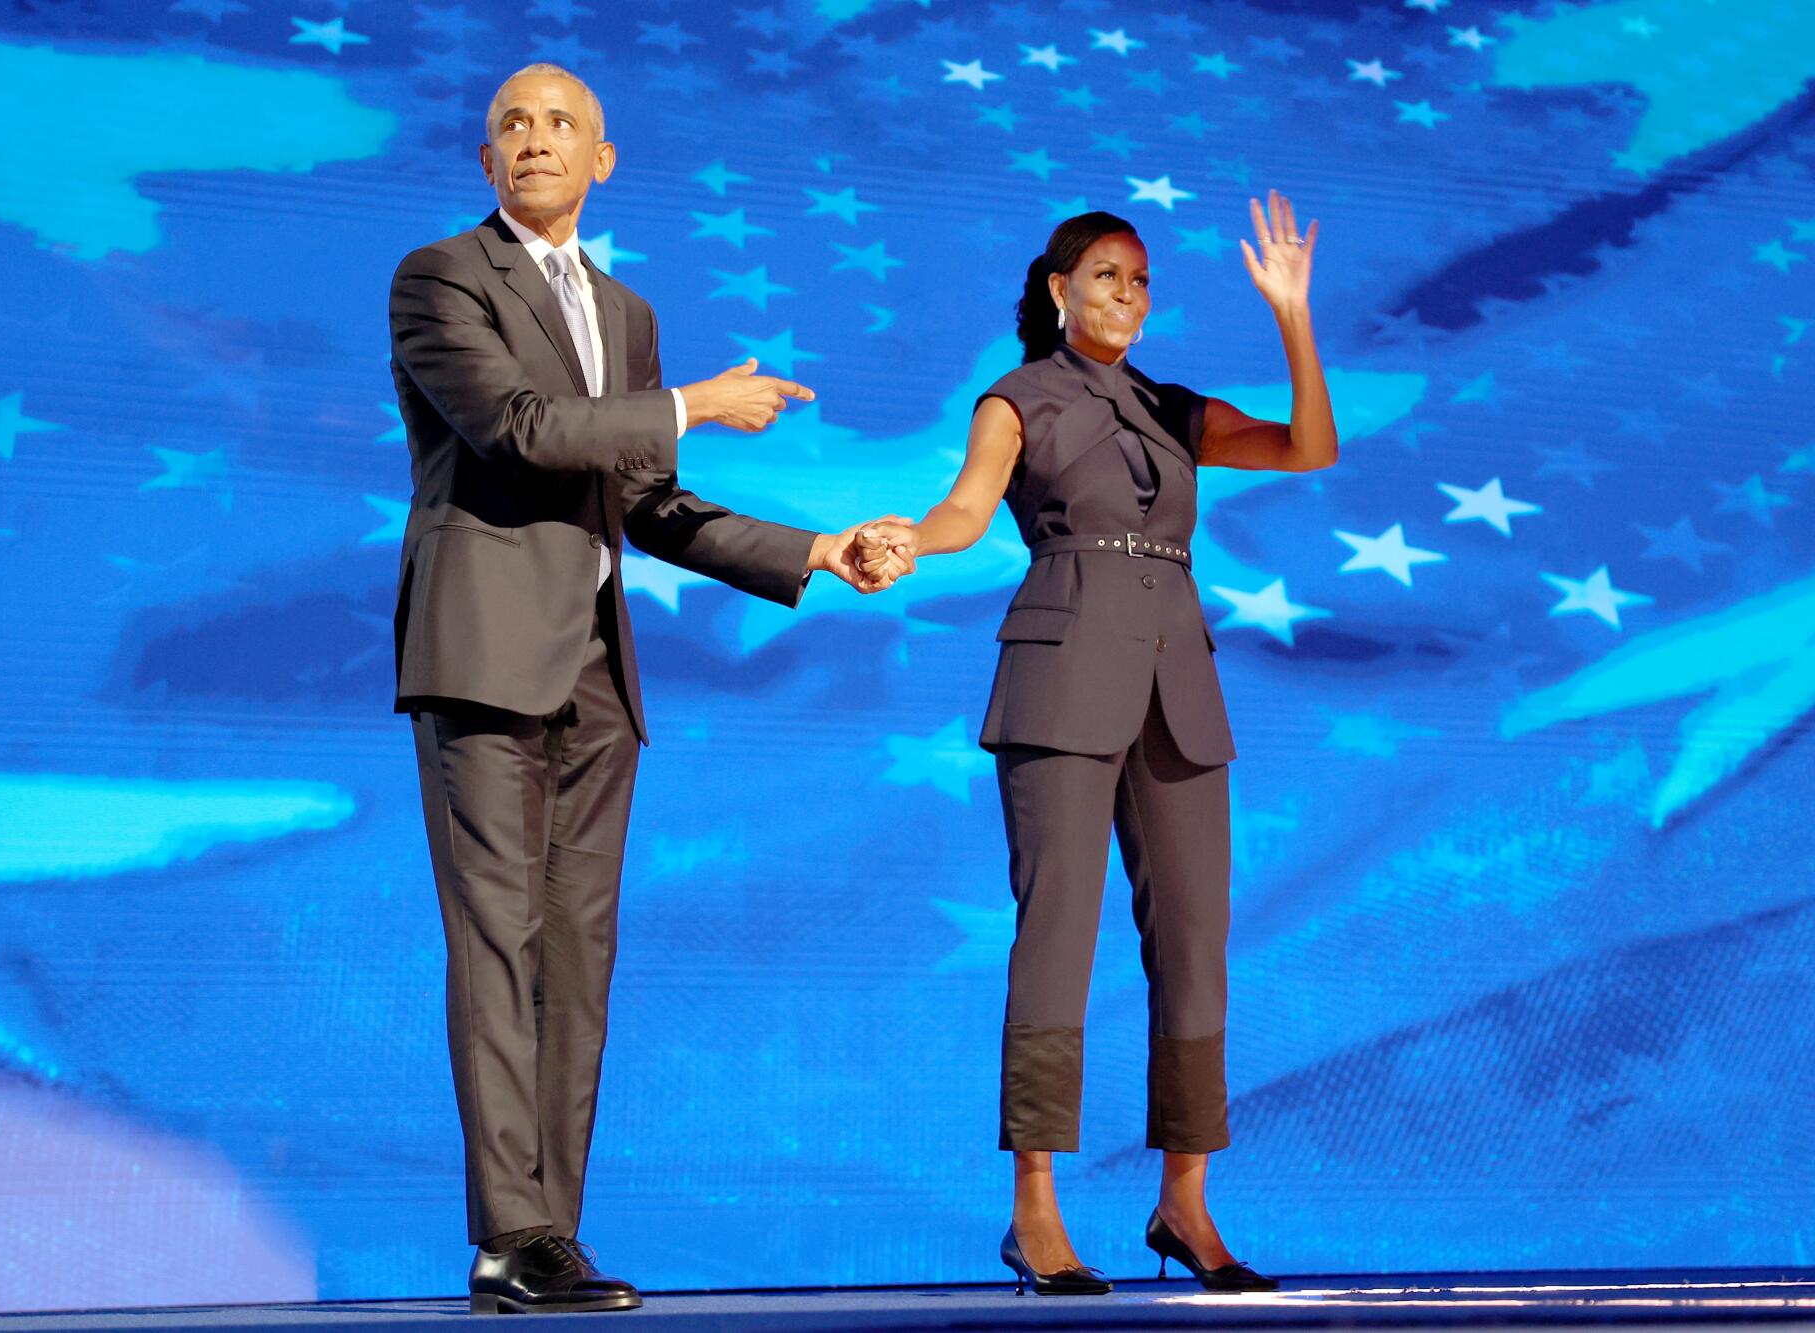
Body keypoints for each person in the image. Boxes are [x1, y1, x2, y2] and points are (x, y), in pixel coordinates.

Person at [386, 63, 912, 1315]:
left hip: (595, 675)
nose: (533, 141)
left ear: (601, 159)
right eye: (511, 125)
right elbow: (518, 428)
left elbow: (646, 500)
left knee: (577, 955)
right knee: (496, 941)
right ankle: (506, 1229)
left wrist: (815, 550)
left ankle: (548, 1238)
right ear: (485, 159)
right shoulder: (440, 277)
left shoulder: (623, 313)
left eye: (560, 123)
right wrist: (687, 404)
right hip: (482, 654)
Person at [857, 195, 1337, 1295]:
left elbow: (1308, 446)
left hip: (1177, 684)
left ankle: (1183, 1203)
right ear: (1055, 290)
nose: (1126, 294)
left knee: (1193, 943)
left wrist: (1292, 317)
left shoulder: (1173, 409)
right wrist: (903, 540)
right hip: (1061, 674)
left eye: (1140, 280)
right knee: (1057, 934)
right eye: (1105, 276)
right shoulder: (1016, 395)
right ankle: (1035, 1211)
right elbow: (964, 512)